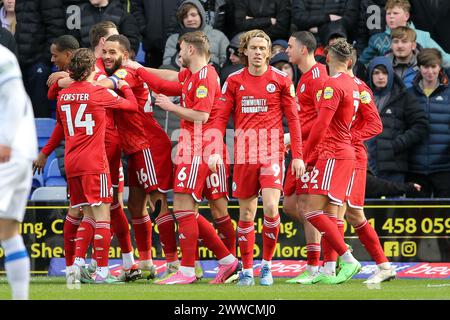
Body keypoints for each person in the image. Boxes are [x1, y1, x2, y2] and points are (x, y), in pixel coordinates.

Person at [210, 29, 305, 286]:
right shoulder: (232, 81)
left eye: (263, 48)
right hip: (244, 154)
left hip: (272, 151)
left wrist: (297, 155)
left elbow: (294, 120)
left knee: (272, 207)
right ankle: (247, 270)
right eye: (254, 48)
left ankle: (267, 266)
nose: (259, 53)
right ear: (245, 51)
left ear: (269, 52)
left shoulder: (282, 80)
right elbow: (219, 117)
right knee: (247, 214)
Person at [150, 31, 239, 285]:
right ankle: (226, 260)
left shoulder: (206, 76)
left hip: (200, 147)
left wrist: (171, 106)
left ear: (190, 49)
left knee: (187, 208)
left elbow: (200, 116)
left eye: (181, 49)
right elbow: (168, 78)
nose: (178, 54)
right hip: (193, 146)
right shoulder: (191, 75)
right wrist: (137, 68)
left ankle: (189, 270)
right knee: (186, 210)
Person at [62, 48, 138, 285]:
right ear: (88, 70)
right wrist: (123, 85)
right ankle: (103, 273)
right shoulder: (98, 92)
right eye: (94, 68)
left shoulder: (64, 95)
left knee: (88, 215)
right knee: (103, 216)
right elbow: (131, 106)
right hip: (94, 162)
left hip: (71, 162)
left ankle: (75, 267)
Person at [300, 39, 362, 284]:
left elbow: (321, 124)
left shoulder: (332, 84)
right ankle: (328, 269)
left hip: (333, 152)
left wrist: (304, 155)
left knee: (311, 210)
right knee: (328, 212)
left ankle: (347, 258)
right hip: (344, 151)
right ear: (349, 61)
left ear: (327, 59)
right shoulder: (353, 84)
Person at [339, 48, 396, 285]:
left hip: (352, 156)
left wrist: (349, 137)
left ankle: (376, 265)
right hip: (338, 155)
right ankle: (337, 264)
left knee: (348, 211)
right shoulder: (335, 84)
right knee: (336, 210)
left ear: (347, 62)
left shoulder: (360, 88)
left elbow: (375, 124)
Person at [283, 31, 329, 284]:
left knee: (306, 206)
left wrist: (293, 136)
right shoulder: (304, 78)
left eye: (290, 46)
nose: (286, 50)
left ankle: (315, 265)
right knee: (290, 205)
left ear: (303, 49)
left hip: (315, 150)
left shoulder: (319, 76)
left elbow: (323, 119)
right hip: (301, 150)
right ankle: (331, 243)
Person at [0, 44, 37, 300]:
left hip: (10, 152)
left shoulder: (2, 56)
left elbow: (14, 96)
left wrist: (5, 142)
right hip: (19, 152)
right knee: (8, 232)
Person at [366, 56, 428, 183]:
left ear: (391, 74)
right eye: (376, 72)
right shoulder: (362, 96)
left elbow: (421, 125)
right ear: (370, 75)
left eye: (385, 72)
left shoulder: (403, 96)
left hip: (393, 167)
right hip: (365, 165)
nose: (381, 77)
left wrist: (396, 145)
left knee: (393, 203)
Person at [407, 48, 450, 197]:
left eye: (433, 67)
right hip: (415, 168)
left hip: (444, 167)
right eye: (426, 67)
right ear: (419, 67)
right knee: (415, 216)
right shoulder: (408, 94)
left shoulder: (449, 94)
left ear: (440, 67)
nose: (430, 71)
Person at [359, 0, 450, 67]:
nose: (391, 17)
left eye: (395, 13)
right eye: (388, 13)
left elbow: (444, 59)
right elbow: (361, 63)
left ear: (406, 16)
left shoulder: (422, 36)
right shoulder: (377, 39)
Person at [15, 0, 65, 117]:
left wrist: (45, 59)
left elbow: (56, 28)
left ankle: (42, 134)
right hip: (21, 61)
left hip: (38, 62)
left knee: (40, 108)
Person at [163, 0, 229, 71]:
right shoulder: (173, 39)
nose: (189, 19)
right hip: (180, 78)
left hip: (211, 77)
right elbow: (167, 66)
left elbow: (227, 62)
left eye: (193, 15)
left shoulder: (218, 36)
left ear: (201, 16)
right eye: (185, 17)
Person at [65, 0, 140, 55]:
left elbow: (131, 44)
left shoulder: (123, 15)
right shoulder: (78, 15)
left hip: (116, 68)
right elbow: (72, 44)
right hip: (87, 66)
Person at [130, 0, 179, 67]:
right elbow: (136, 9)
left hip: (176, 46)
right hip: (152, 47)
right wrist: (145, 29)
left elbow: (186, 6)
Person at [291, 0, 359, 45]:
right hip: (307, 44)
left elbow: (349, 21)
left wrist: (320, 30)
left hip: (336, 45)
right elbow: (298, 18)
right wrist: (328, 18)